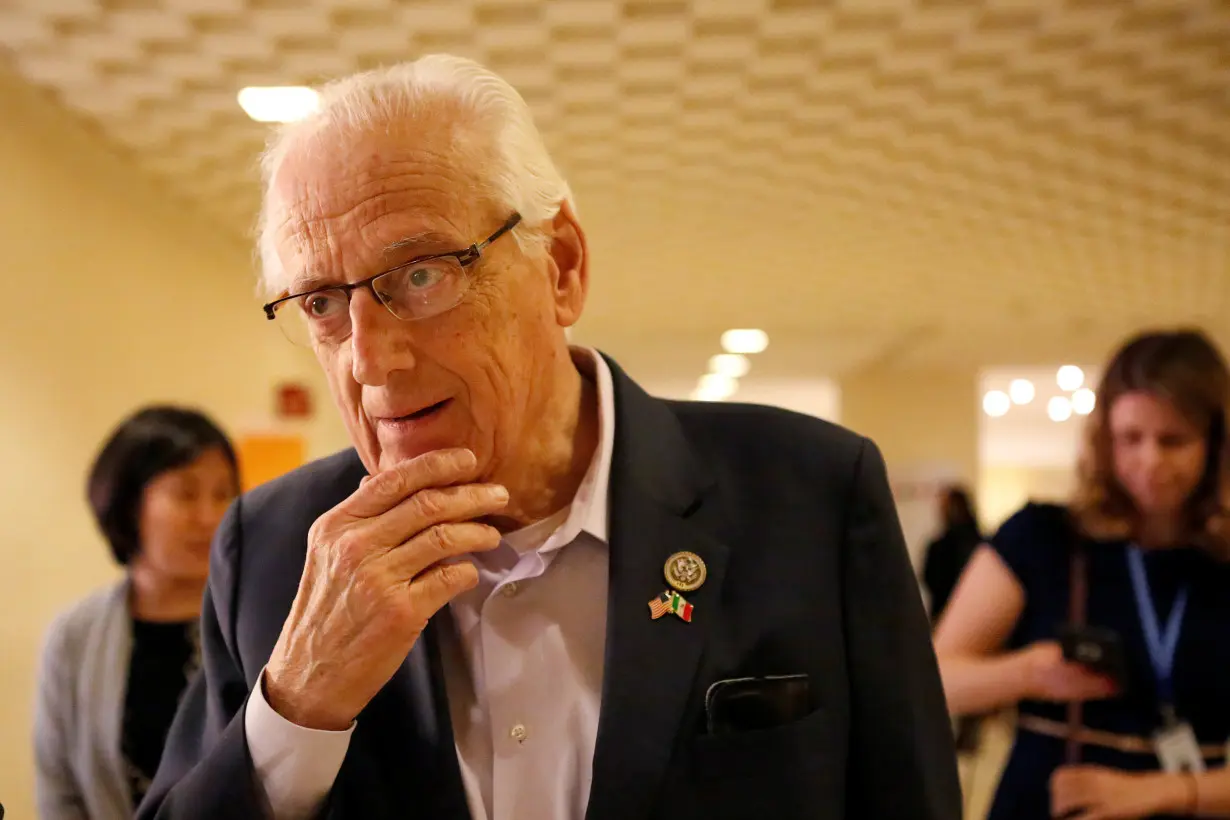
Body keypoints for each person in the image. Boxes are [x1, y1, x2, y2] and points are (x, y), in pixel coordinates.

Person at [136, 55, 960, 820]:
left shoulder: (808, 494)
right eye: (321, 302)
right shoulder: (275, 548)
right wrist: (298, 708)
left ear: (560, 265)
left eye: (422, 275)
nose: (371, 361)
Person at [935, 329, 1230, 819]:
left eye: (1173, 440)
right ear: (1102, 438)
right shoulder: (1042, 538)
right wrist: (1028, 672)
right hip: (1051, 801)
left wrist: (1163, 792)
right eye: (1130, 439)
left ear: (1216, 446)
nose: (1149, 461)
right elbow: (937, 679)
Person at [34, 406, 240, 819]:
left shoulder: (256, 618)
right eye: (186, 493)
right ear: (128, 504)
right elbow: (59, 791)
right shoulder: (75, 636)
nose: (209, 516)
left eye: (223, 493)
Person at [922, 484, 983, 623]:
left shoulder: (938, 547)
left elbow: (928, 579)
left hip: (945, 616)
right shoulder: (982, 545)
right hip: (974, 615)